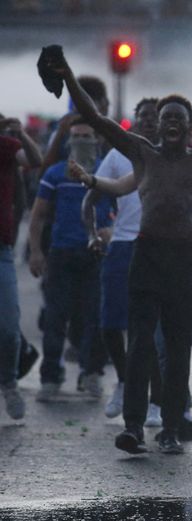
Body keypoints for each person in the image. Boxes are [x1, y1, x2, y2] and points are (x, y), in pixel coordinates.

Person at [48, 47, 192, 454]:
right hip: (147, 255)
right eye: (166, 118)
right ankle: (134, 427)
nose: (172, 123)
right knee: (141, 343)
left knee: (177, 346)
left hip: (184, 259)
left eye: (179, 118)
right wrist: (69, 75)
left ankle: (172, 428)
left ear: (190, 127)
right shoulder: (142, 152)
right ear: (157, 127)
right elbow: (97, 118)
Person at [81, 98, 163, 422]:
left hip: (157, 246)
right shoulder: (117, 156)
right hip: (123, 244)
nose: (148, 122)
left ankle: (157, 400)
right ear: (135, 120)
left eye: (154, 117)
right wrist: (92, 233)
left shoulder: (168, 156)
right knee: (111, 324)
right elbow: (92, 196)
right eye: (143, 116)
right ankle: (125, 380)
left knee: (151, 328)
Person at [29, 118, 111, 402]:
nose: (81, 141)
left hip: (95, 254)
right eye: (75, 136)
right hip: (61, 253)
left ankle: (91, 374)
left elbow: (123, 209)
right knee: (55, 318)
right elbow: (38, 216)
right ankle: (51, 376)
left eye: (86, 136)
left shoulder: (106, 172)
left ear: (97, 140)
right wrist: (36, 251)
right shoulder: (55, 174)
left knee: (94, 318)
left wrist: (111, 232)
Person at [0, 116, 42, 420]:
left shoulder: (5, 146)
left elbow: (34, 159)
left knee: (9, 327)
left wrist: (23, 133)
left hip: (1, 251)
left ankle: (9, 383)